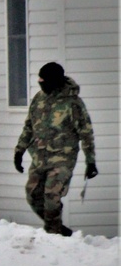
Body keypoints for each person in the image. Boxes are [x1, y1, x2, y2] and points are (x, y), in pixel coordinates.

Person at [13, 62, 97, 237]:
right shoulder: (39, 98)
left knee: (51, 197)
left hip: (62, 158)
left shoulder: (73, 103)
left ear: (54, 81)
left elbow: (86, 133)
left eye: (44, 80)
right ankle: (57, 228)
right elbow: (29, 126)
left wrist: (91, 162)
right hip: (39, 157)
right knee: (33, 195)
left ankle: (54, 237)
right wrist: (19, 151)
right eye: (39, 79)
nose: (40, 83)